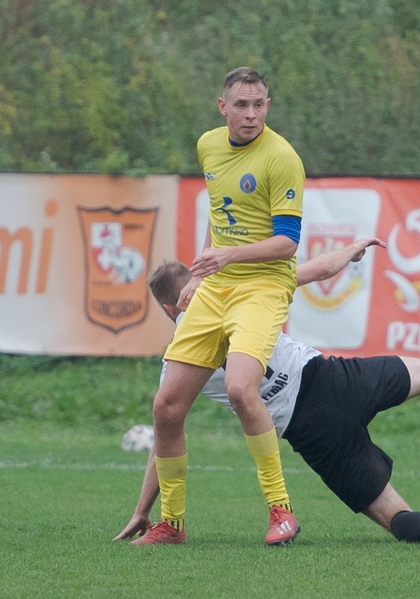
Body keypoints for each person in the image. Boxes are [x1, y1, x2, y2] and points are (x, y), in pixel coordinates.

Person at [116, 242, 420, 546]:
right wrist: (351, 251)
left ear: (165, 306)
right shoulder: (237, 290)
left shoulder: (180, 361)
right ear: (197, 281)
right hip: (335, 379)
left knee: (393, 516)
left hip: (313, 433)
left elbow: (166, 434)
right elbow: (315, 270)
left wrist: (143, 509)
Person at [135, 67, 306, 546]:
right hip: (217, 288)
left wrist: (226, 256)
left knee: (239, 389)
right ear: (222, 107)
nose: (251, 114)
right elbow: (220, 215)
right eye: (242, 105)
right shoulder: (208, 145)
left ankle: (281, 512)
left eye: (259, 105)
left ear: (267, 106)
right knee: (166, 407)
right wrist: (205, 273)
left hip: (262, 286)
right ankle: (171, 524)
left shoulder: (282, 158)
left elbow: (287, 244)